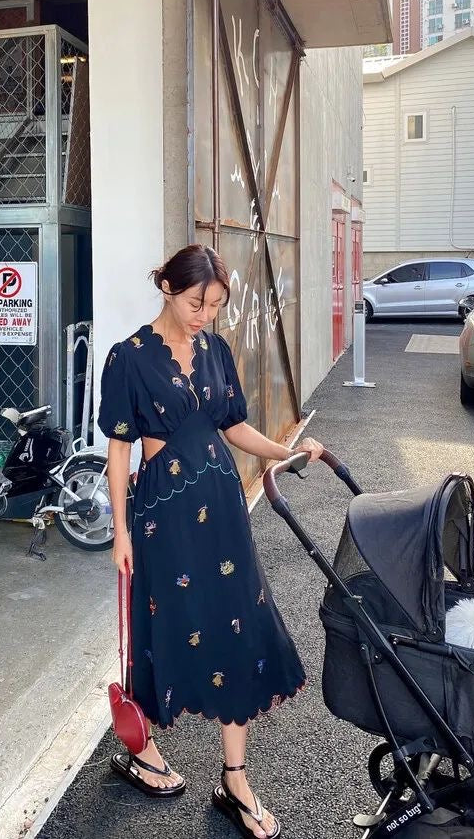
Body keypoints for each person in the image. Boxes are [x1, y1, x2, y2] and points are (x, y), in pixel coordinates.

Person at [97, 244, 323, 839]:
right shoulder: (129, 358)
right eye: (198, 302)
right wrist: (119, 530)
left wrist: (287, 452)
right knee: (164, 625)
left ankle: (235, 776)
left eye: (216, 306)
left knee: (238, 626)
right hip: (162, 517)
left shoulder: (217, 351)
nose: (205, 315)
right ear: (168, 286)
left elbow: (234, 426)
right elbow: (119, 449)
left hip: (222, 511)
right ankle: (144, 749)